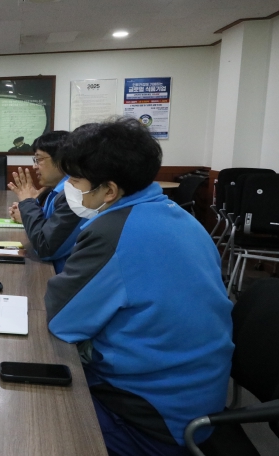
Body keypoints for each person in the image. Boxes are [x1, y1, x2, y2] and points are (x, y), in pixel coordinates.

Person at [46, 118, 234, 456]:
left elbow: (60, 320)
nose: (68, 188)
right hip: (198, 397)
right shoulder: (179, 215)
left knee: (33, 418)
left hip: (152, 418)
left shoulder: (112, 231)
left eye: (74, 180)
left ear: (109, 190)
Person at [7, 131, 85, 273]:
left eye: (39, 159)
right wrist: (26, 214)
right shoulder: (56, 190)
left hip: (60, 274)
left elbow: (45, 247)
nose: (34, 166)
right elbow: (49, 224)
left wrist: (27, 203)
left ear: (62, 160)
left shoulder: (72, 195)